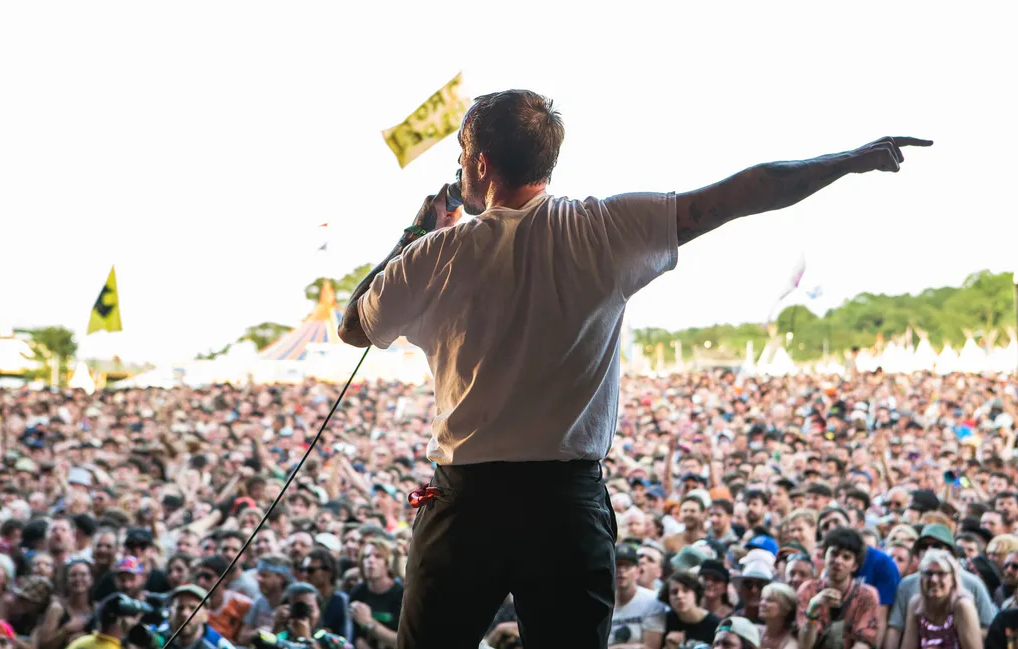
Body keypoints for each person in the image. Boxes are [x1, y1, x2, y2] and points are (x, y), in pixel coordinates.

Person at [336, 87, 930, 649]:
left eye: (462, 155)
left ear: (483, 163)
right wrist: (847, 161)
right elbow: (741, 192)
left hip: (465, 507)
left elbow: (353, 327)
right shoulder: (600, 228)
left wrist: (416, 232)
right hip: (564, 507)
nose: (460, 168)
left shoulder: (435, 253)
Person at [900, 550, 980, 649]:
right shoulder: (916, 604)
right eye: (929, 573)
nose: (934, 580)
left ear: (953, 578)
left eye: (941, 573)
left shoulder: (962, 606)